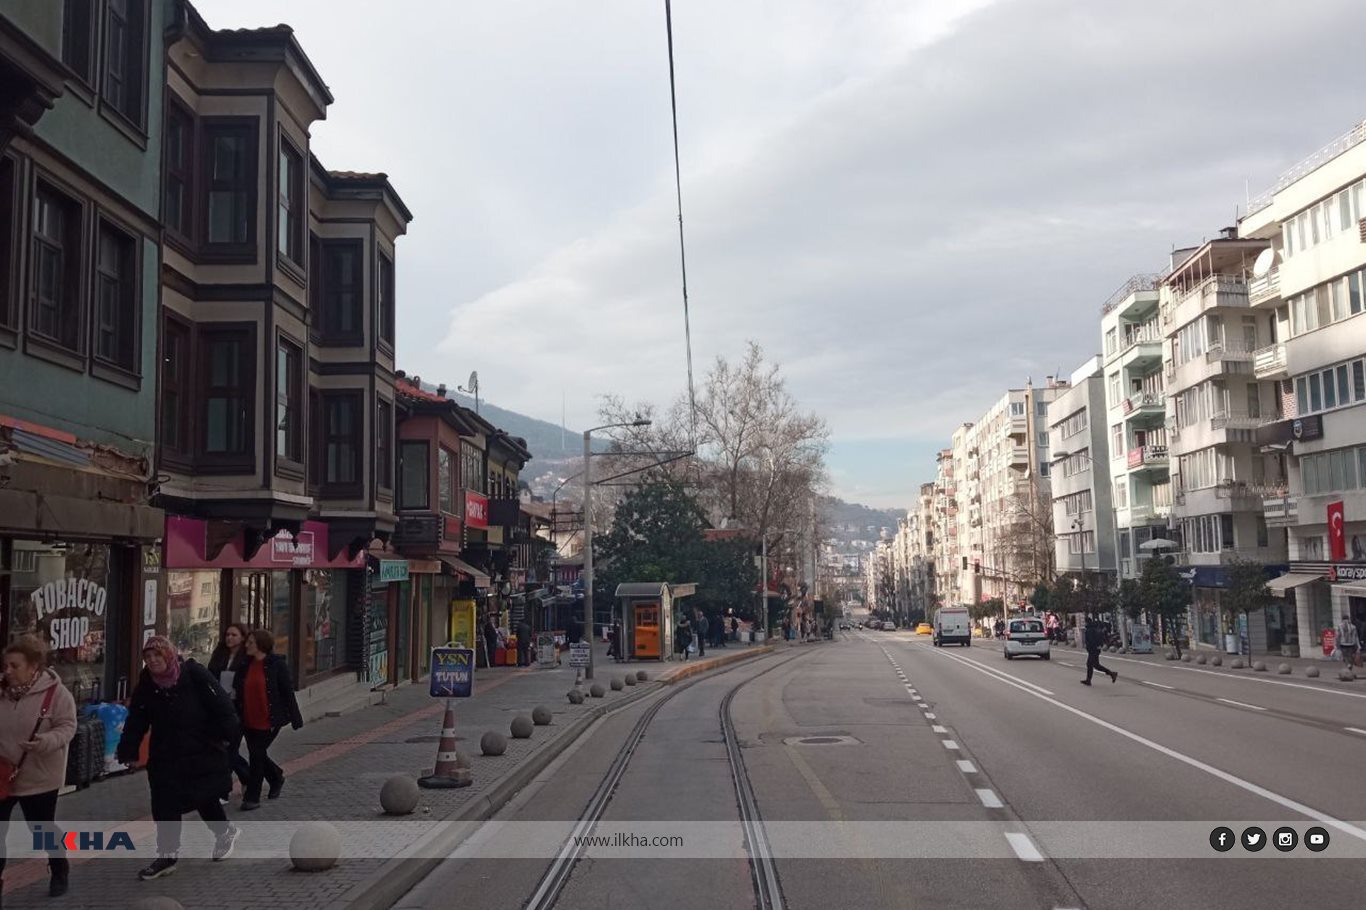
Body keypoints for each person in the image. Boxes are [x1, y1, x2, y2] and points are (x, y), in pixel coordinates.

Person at [116, 637, 240, 880]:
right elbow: (137, 718)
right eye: (148, 658)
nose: (152, 661)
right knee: (164, 805)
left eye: (157, 656)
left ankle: (224, 832)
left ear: (168, 655)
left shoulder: (193, 674)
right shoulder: (147, 683)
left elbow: (223, 708)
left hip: (201, 750)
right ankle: (167, 856)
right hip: (165, 754)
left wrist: (226, 739)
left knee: (204, 798)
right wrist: (129, 750)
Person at [0, 637, 76, 897]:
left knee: (40, 828)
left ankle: (59, 867)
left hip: (39, 774)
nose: (7, 671)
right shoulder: (1, 690)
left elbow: (68, 727)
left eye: (14, 665)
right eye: (5, 665)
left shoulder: (56, 694)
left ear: (33, 667)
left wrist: (45, 741)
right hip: (3, 776)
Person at [232, 630, 303, 811]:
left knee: (256, 756)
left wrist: (295, 717)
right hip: (248, 718)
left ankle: (252, 797)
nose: (247, 645)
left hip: (269, 720)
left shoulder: (276, 665)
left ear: (261, 645)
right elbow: (236, 690)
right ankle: (276, 777)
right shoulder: (245, 664)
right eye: (247, 642)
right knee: (258, 754)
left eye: (251, 643)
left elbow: (287, 692)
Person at [206, 623, 252, 790]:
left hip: (237, 709)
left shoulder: (247, 658)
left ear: (242, 637)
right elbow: (210, 676)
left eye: (234, 635)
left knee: (230, 748)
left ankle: (227, 786)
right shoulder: (220, 655)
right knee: (222, 749)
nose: (229, 638)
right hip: (220, 708)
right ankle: (248, 777)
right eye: (227, 635)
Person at [1081, 618, 1118, 686]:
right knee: (1096, 665)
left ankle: (1088, 680)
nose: (1084, 623)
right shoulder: (1094, 629)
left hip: (1093, 650)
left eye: (1084, 622)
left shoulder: (1090, 630)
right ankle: (1112, 673)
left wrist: (1091, 647)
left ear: (1087, 622)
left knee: (1089, 664)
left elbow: (1091, 640)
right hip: (1095, 649)